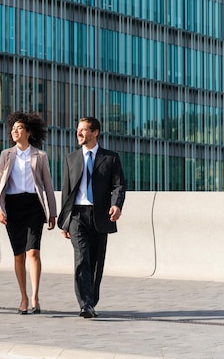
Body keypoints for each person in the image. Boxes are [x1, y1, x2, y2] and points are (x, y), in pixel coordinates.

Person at [57, 117, 127, 319]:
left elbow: (118, 185)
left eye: (83, 130)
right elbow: (66, 191)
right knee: (81, 259)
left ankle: (91, 300)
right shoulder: (71, 158)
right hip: (77, 215)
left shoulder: (110, 158)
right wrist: (65, 220)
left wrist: (116, 204)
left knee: (96, 263)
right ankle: (85, 304)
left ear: (95, 132)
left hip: (100, 216)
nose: (79, 133)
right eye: (78, 130)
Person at [0, 111, 56, 314]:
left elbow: (48, 186)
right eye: (13, 129)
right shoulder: (6, 154)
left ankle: (36, 297)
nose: (15, 131)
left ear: (28, 132)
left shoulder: (40, 155)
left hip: (33, 206)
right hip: (13, 205)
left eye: (19, 128)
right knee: (19, 255)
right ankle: (23, 297)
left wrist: (52, 212)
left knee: (33, 252)